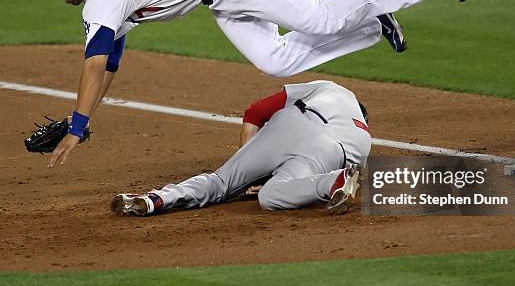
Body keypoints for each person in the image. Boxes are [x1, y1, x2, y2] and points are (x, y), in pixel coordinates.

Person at [35, 0, 468, 168]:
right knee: (275, 60)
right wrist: (85, 121)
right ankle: (372, 20)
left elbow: (92, 64)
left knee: (317, 18)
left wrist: (77, 125)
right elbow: (109, 62)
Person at [111, 80, 371, 215]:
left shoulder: (330, 88)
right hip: (332, 153)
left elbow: (256, 112)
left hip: (297, 121)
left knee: (221, 182)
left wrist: (248, 164)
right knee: (270, 197)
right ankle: (333, 182)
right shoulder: (364, 140)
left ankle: (155, 199)